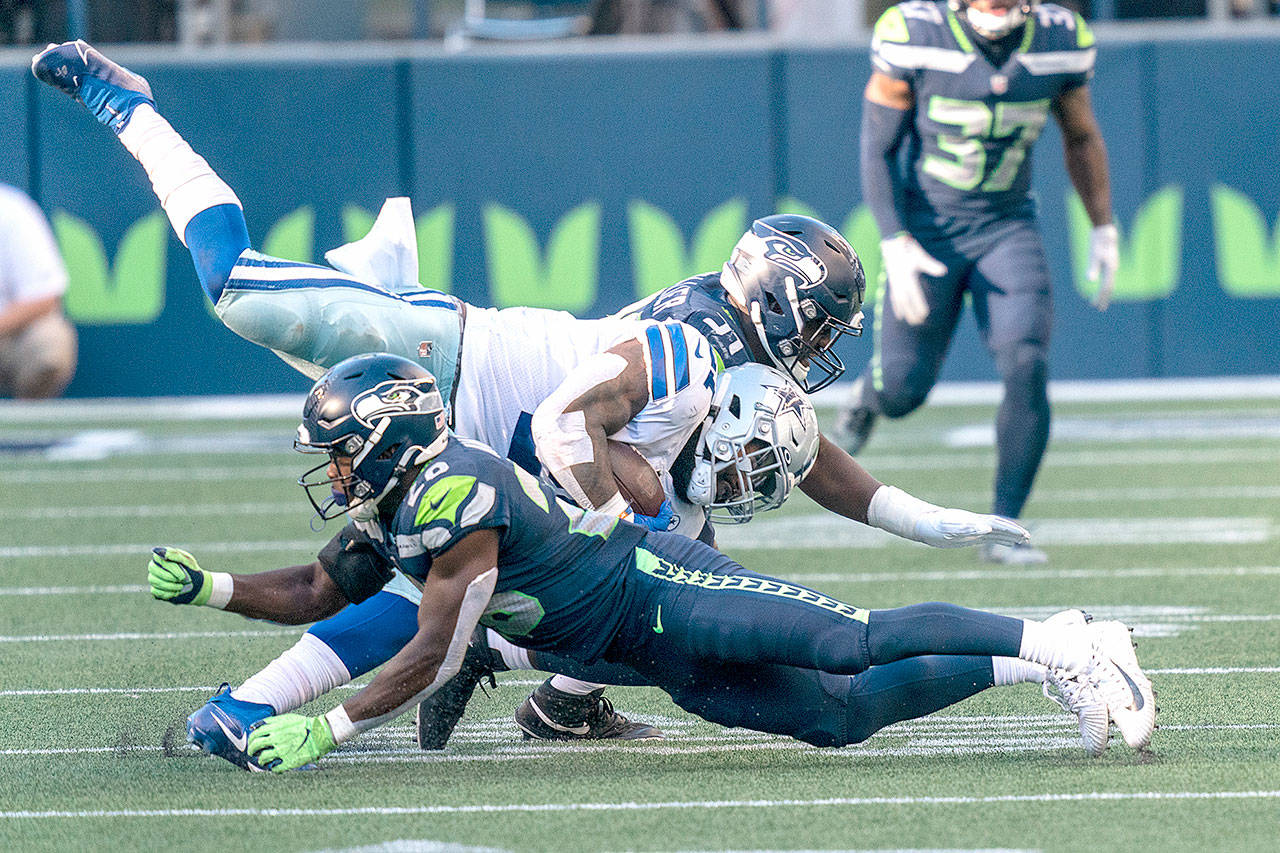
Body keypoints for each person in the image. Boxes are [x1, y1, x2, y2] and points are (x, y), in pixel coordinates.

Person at [34, 39, 1032, 757]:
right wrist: (606, 513)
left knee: (579, 604)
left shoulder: (740, 387)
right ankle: (132, 106)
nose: (817, 351)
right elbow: (570, 425)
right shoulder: (693, 349)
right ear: (774, 302)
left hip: (494, 452)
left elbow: (816, 465)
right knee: (235, 292)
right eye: (814, 325)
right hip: (452, 365)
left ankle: (545, 698)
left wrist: (934, 522)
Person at [150, 353, 1155, 773]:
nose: (331, 468)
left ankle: (1052, 640)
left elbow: (435, 647)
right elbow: (320, 589)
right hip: (631, 647)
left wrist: (325, 726)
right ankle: (1046, 653)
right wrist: (217, 588)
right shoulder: (399, 499)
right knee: (838, 719)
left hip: (660, 590)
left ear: (386, 433)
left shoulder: (456, 496)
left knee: (847, 641)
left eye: (338, 445)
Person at [834, 0, 1118, 565]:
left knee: (1026, 359)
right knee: (904, 391)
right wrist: (895, 238)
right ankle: (869, 398)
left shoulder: (1060, 37)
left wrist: (1103, 225)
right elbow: (878, 146)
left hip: (1006, 225)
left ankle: (1003, 526)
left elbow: (1081, 135)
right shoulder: (915, 31)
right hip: (928, 226)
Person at [0, 182, 76, 399]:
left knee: (49, 341)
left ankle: (26, 428)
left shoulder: (11, 210)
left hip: (7, 335)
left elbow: (44, 298)